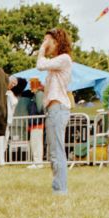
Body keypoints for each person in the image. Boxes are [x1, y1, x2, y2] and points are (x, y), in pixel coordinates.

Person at [37, 28, 73, 194]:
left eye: (47, 40)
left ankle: (60, 189)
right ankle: (58, 187)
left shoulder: (64, 59)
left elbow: (40, 65)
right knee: (54, 151)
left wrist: (41, 50)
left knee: (57, 151)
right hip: (53, 108)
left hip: (58, 108)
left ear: (56, 41)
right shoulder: (57, 62)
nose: (45, 44)